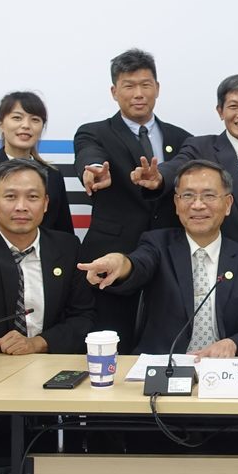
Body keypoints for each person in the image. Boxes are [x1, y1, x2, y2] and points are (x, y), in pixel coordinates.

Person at [132, 73, 238, 352]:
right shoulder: (200, 146)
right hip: (207, 280)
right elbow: (177, 167)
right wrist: (159, 179)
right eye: (233, 106)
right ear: (220, 111)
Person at [79, 161, 238, 357]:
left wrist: (232, 343)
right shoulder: (157, 244)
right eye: (187, 195)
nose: (197, 205)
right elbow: (139, 264)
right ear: (176, 204)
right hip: (163, 368)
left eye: (209, 195)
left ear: (228, 204)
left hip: (222, 371)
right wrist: (120, 263)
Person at [73, 49, 193, 349]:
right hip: (111, 255)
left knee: (164, 341)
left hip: (168, 256)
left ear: (157, 88)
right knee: (111, 341)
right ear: (115, 91)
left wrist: (160, 178)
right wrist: (93, 171)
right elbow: (89, 156)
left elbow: (182, 164)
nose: (138, 93)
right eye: (129, 85)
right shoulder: (94, 132)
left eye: (145, 84)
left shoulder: (181, 138)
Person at [0, 158, 95, 355]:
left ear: (45, 203)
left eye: (32, 197)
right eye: (11, 197)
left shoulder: (67, 247)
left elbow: (82, 318)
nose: (21, 206)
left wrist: (38, 343)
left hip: (45, 363)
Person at [0, 90, 75, 235]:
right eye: (17, 118)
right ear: (1, 124)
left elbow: (64, 230)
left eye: (35, 120)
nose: (26, 125)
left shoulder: (53, 175)